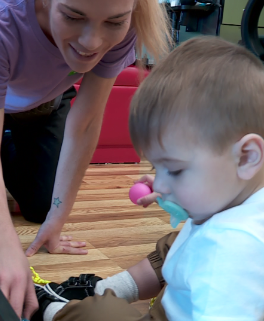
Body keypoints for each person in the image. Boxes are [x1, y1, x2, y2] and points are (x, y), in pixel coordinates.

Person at [0, 0, 172, 318]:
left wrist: (57, 218)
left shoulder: (130, 23)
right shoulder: (0, 20)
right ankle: (0, 155)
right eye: (73, 16)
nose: (92, 43)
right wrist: (5, 247)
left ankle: (8, 162)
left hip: (46, 104)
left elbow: (86, 122)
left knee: (41, 211)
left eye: (114, 22)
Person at [33, 36, 264, 321]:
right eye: (157, 168)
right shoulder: (246, 195)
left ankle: (46, 309)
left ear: (246, 157)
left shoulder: (229, 252)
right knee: (175, 241)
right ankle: (100, 288)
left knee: (102, 314)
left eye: (176, 169)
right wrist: (179, 189)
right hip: (190, 290)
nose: (162, 185)